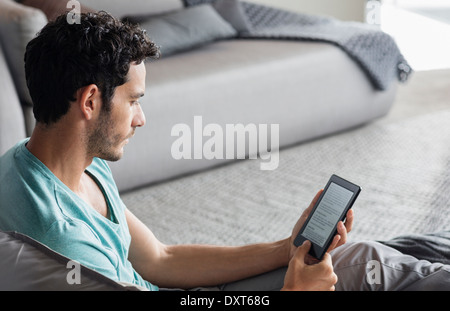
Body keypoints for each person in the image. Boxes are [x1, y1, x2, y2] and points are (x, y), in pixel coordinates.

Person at [0, 11, 448, 291]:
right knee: (359, 268)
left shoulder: (55, 162)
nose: (141, 119)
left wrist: (287, 248)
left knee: (358, 259)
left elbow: (160, 258)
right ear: (91, 102)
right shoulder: (59, 237)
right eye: (133, 101)